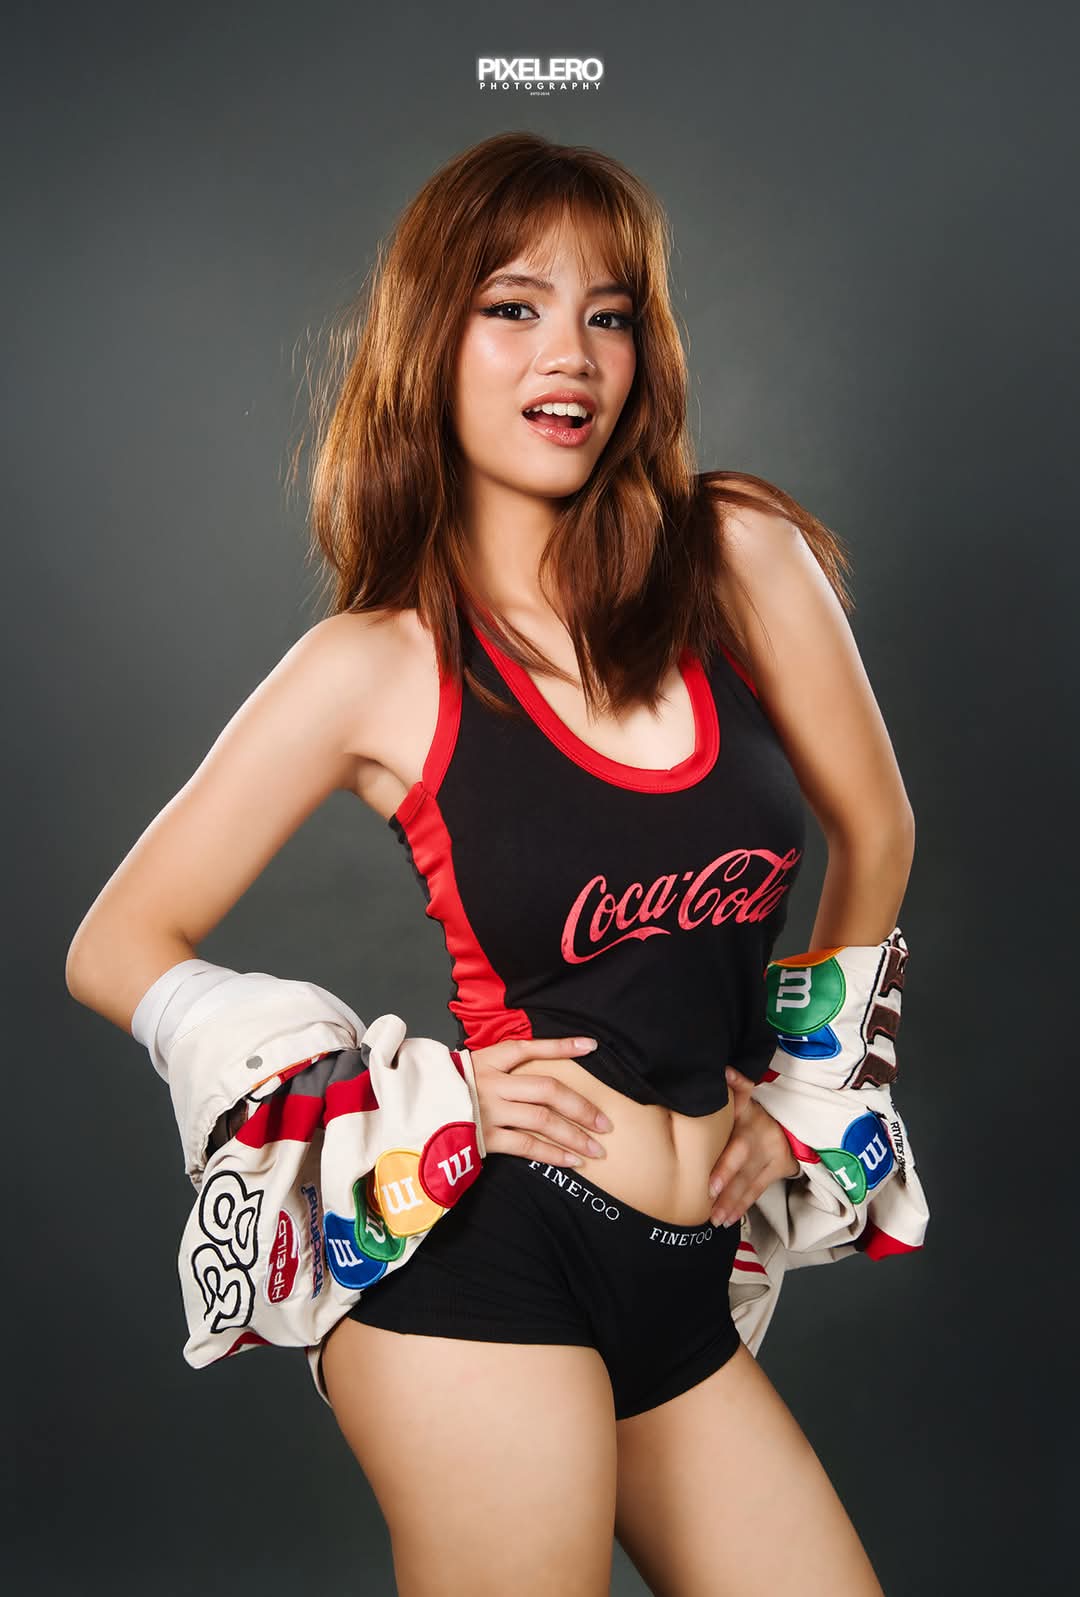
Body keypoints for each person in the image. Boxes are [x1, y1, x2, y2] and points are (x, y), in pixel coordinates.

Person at [66, 132, 915, 1596]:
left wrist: (802, 1103)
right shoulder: (373, 665)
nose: (568, 353)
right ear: (429, 343)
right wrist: (412, 1099)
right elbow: (115, 945)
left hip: (681, 1276)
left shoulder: (739, 558)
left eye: (609, 312)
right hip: (485, 1263)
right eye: (513, 306)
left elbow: (881, 831)